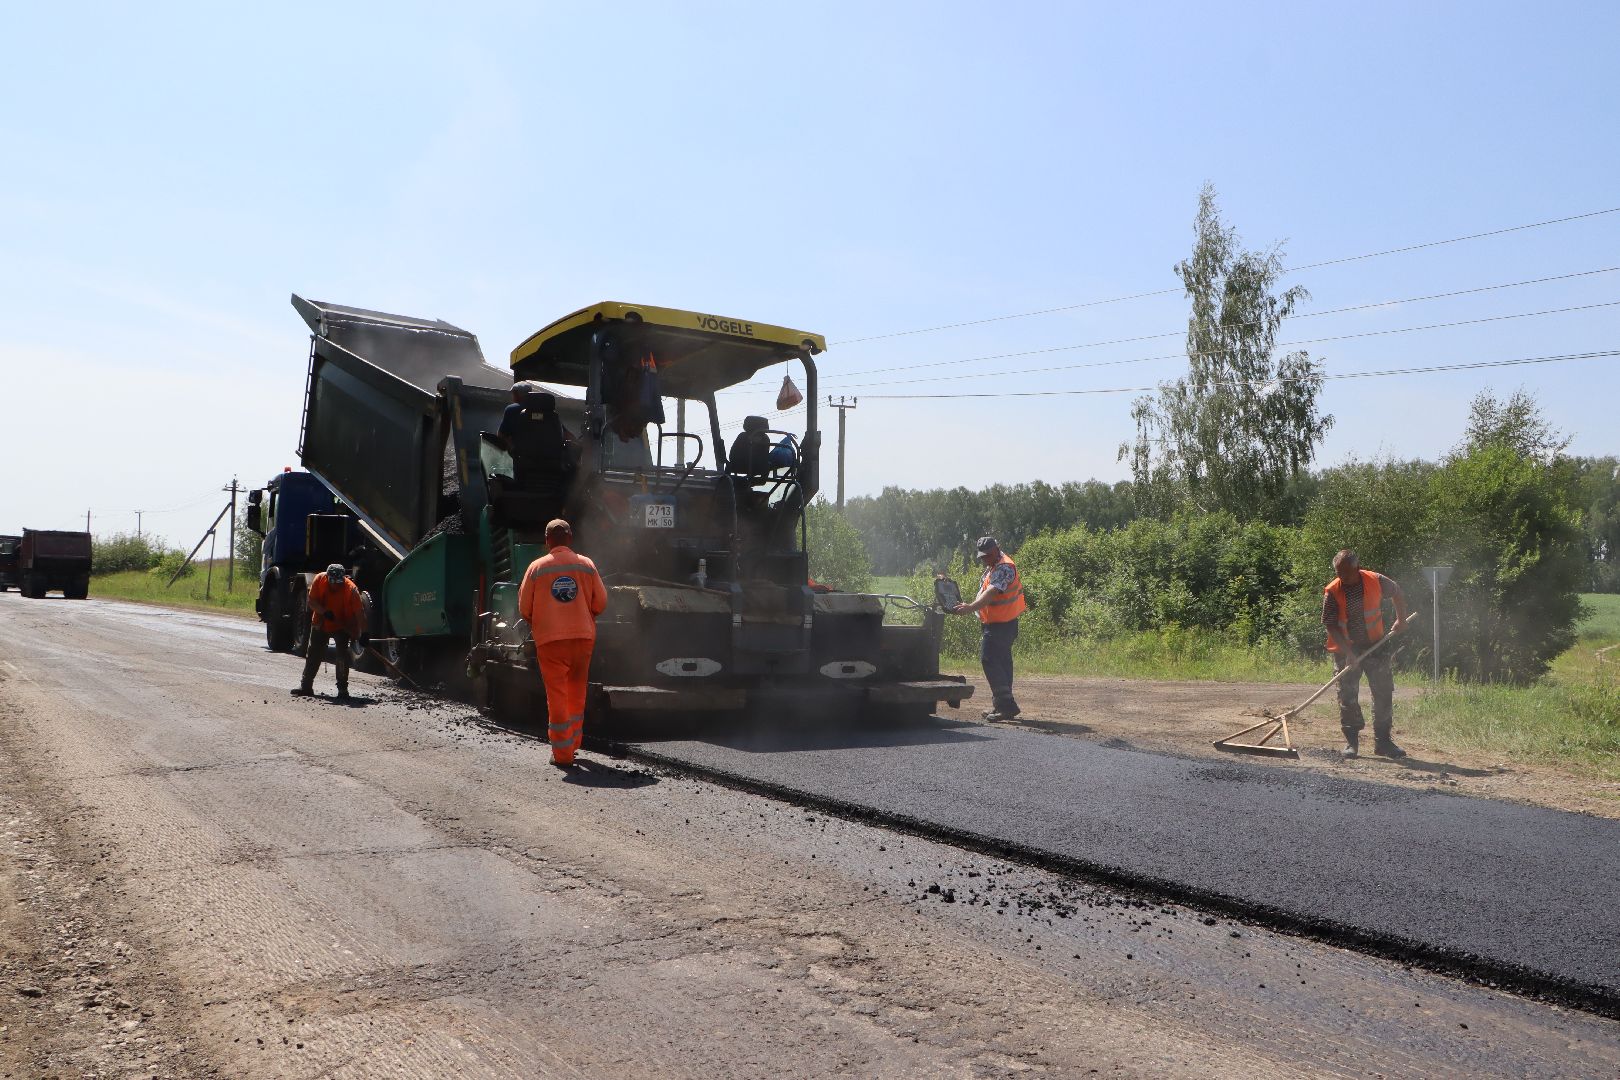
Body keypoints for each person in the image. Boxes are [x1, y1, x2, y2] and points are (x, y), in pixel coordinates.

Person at [518, 519, 608, 767]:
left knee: (557, 695)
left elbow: (525, 608)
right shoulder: (587, 565)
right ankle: (574, 743)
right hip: (582, 639)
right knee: (577, 693)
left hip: (550, 642)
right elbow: (600, 603)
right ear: (570, 538)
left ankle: (563, 754)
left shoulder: (536, 568)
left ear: (547, 541)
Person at [1323, 549, 1410, 758]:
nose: (1341, 577)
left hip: (1376, 645)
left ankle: (1383, 743)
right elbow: (1330, 624)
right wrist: (1348, 653)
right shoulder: (1333, 591)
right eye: (1338, 572)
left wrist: (1401, 619)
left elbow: (1397, 592)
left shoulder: (1376, 580)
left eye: (1345, 573)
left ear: (1357, 568)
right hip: (1347, 649)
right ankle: (1351, 743)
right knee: (1347, 696)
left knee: (1383, 692)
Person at [949, 536, 1026, 721]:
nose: (985, 559)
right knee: (1002, 663)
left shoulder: (1004, 567)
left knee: (989, 659)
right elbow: (985, 591)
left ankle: (1006, 706)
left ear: (997, 549)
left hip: (1002, 625)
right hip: (1001, 623)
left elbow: (992, 592)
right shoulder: (994, 565)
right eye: (982, 557)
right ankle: (1003, 705)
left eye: (988, 555)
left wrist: (970, 608)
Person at [291, 563, 366, 702]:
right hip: (322, 622)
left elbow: (359, 614)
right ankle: (306, 686)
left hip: (342, 625)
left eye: (338, 583)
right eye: (333, 583)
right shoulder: (319, 580)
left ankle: (343, 690)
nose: (335, 586)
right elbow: (311, 602)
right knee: (313, 653)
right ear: (327, 578)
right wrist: (324, 612)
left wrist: (364, 634)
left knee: (342, 656)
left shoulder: (351, 590)